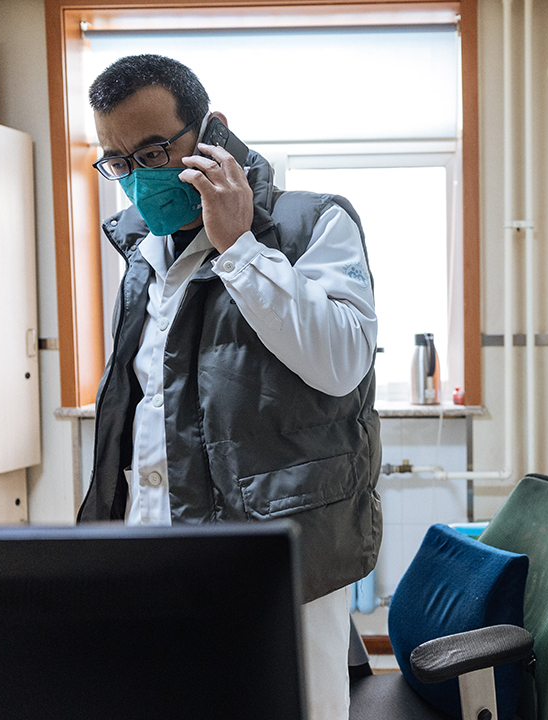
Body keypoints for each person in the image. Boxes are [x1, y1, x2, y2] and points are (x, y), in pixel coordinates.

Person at [76, 54, 382, 719]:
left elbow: (342, 362)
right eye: (120, 162)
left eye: (153, 151)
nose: (139, 178)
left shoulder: (311, 223)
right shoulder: (143, 252)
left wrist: (240, 246)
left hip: (279, 559)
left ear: (211, 130)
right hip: (159, 548)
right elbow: (144, 408)